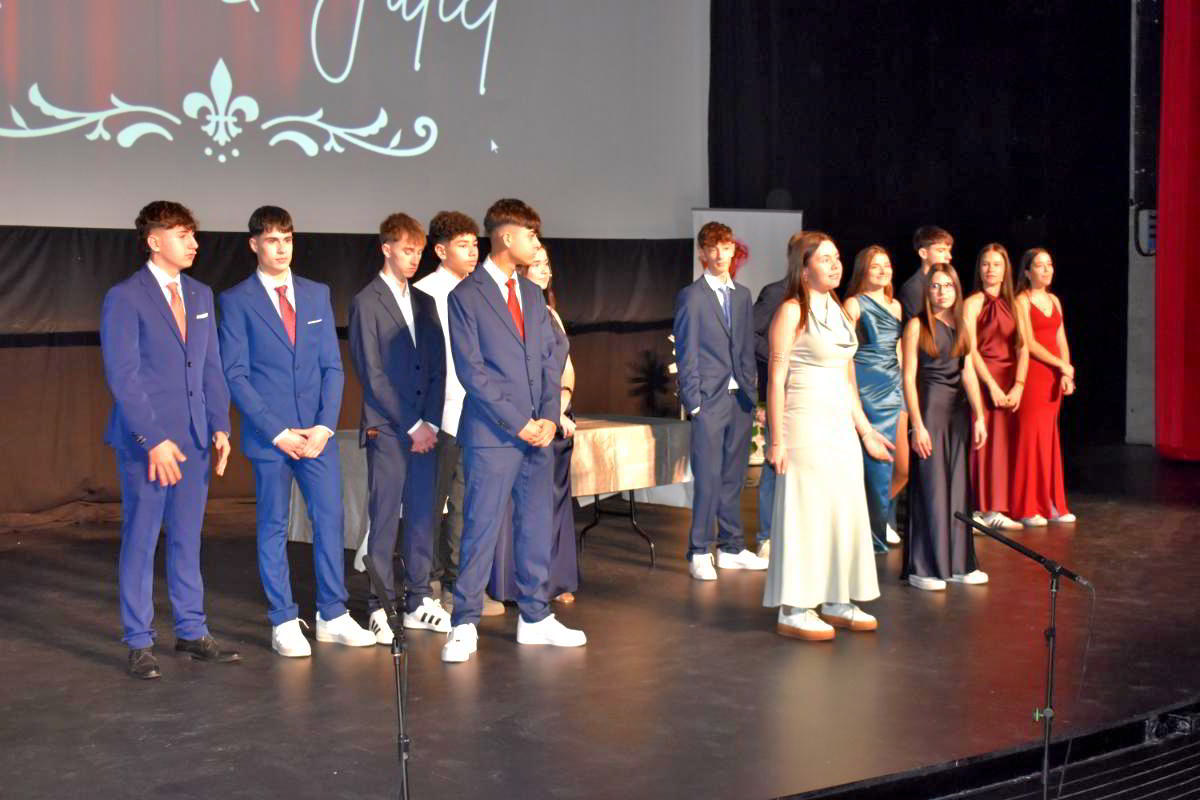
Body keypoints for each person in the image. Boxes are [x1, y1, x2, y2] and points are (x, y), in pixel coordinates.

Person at [219, 206, 375, 656]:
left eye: (287, 238)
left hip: (317, 436)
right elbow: (237, 374)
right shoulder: (236, 300)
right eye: (271, 240)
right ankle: (283, 620)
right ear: (254, 245)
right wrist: (277, 432)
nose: (281, 248)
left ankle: (332, 614)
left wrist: (325, 426)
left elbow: (332, 365)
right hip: (272, 439)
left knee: (330, 521)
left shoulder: (315, 293)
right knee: (272, 526)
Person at [441, 198, 586, 663]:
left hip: (537, 433)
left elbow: (549, 360)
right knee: (480, 527)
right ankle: (463, 622)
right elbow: (472, 372)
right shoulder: (466, 295)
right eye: (531, 236)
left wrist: (546, 417)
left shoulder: (530, 294)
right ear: (506, 237)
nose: (536, 244)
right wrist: (519, 421)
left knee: (535, 525)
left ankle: (535, 616)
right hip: (493, 434)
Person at [100, 201, 240, 679]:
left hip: (196, 439)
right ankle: (139, 640)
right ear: (155, 240)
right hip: (149, 444)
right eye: (183, 234)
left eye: (194, 234)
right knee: (141, 540)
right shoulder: (126, 296)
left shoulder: (201, 294)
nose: (194, 243)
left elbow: (211, 368)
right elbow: (124, 376)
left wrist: (219, 424)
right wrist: (153, 439)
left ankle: (191, 630)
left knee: (187, 539)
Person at [763, 231, 893, 640]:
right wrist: (776, 441)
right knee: (809, 513)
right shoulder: (790, 311)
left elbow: (848, 379)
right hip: (805, 424)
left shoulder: (839, 309)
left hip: (839, 426)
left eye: (837, 257)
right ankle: (795, 607)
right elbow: (777, 375)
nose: (836, 265)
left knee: (844, 509)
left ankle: (838, 597)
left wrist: (866, 430)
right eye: (825, 259)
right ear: (804, 269)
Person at [348, 213, 451, 645]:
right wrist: (410, 422)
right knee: (385, 516)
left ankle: (417, 600)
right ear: (386, 248)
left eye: (418, 252)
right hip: (389, 428)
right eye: (407, 250)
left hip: (424, 427)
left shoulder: (424, 301)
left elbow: (437, 365)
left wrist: (428, 420)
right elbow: (372, 373)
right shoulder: (366, 301)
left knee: (424, 514)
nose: (414, 259)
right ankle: (379, 605)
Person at [413, 212, 505, 617]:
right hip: (437, 415)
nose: (473, 252)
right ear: (440, 250)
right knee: (430, 505)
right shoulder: (424, 292)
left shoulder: (481, 291)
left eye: (475, 244)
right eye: (463, 245)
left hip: (476, 414)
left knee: (468, 505)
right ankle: (426, 585)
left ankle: (460, 585)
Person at [673, 221, 767, 581]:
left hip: (740, 398)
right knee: (709, 477)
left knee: (734, 476)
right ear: (702, 253)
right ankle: (699, 549)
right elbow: (687, 349)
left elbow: (744, 345)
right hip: (709, 400)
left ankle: (731, 547)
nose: (719, 255)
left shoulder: (742, 294)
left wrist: (752, 393)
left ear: (733, 251)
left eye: (725, 247)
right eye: (712, 248)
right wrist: (694, 402)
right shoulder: (691, 296)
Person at [491, 244, 579, 604]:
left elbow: (566, 368)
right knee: (521, 506)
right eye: (536, 264)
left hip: (556, 419)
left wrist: (561, 406)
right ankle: (513, 584)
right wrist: (545, 414)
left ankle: (552, 581)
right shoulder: (512, 315)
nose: (544, 271)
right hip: (527, 420)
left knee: (553, 506)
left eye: (547, 265)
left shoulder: (551, 314)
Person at [901, 263, 989, 591]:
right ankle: (924, 567)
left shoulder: (963, 325)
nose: (941, 292)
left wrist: (979, 415)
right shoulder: (916, 325)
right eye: (935, 286)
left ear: (956, 289)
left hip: (958, 415)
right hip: (930, 411)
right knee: (932, 487)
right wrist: (917, 425)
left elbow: (967, 372)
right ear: (928, 290)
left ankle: (958, 563)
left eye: (947, 286)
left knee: (957, 488)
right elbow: (908, 377)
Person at [844, 245, 905, 552]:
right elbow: (845, 354)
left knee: (903, 467)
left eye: (887, 265)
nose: (883, 270)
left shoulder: (896, 306)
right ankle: (873, 533)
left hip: (895, 387)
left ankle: (878, 521)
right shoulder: (854, 304)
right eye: (875, 266)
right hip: (868, 388)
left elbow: (898, 349)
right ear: (863, 271)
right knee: (875, 469)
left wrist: (904, 384)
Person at [963, 244, 1027, 530]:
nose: (990, 270)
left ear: (1006, 269)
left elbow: (1023, 347)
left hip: (1009, 380)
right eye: (986, 264)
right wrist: (990, 385)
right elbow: (970, 349)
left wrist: (1019, 386)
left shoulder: (1014, 303)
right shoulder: (973, 302)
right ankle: (978, 507)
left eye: (996, 264)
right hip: (983, 379)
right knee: (982, 443)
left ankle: (996, 508)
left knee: (1003, 445)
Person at [1011, 248, 1075, 526]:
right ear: (1027, 271)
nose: (1047, 270)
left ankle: (1052, 502)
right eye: (1039, 265)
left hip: (1053, 377)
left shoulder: (1055, 301)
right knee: (1030, 439)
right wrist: (1060, 365)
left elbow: (1061, 339)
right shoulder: (1021, 300)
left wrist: (1066, 371)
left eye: (1050, 264)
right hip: (1034, 374)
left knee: (1049, 438)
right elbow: (1030, 343)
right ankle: (1027, 506)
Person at [752, 277, 788, 560]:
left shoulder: (828, 299)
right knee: (774, 465)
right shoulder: (776, 292)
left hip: (811, 396)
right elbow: (750, 333)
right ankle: (766, 536)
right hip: (778, 390)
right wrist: (781, 355)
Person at [898, 225, 954, 322]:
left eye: (949, 251)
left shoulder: (950, 281)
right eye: (941, 250)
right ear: (923, 253)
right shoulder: (913, 288)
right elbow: (922, 327)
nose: (949, 256)